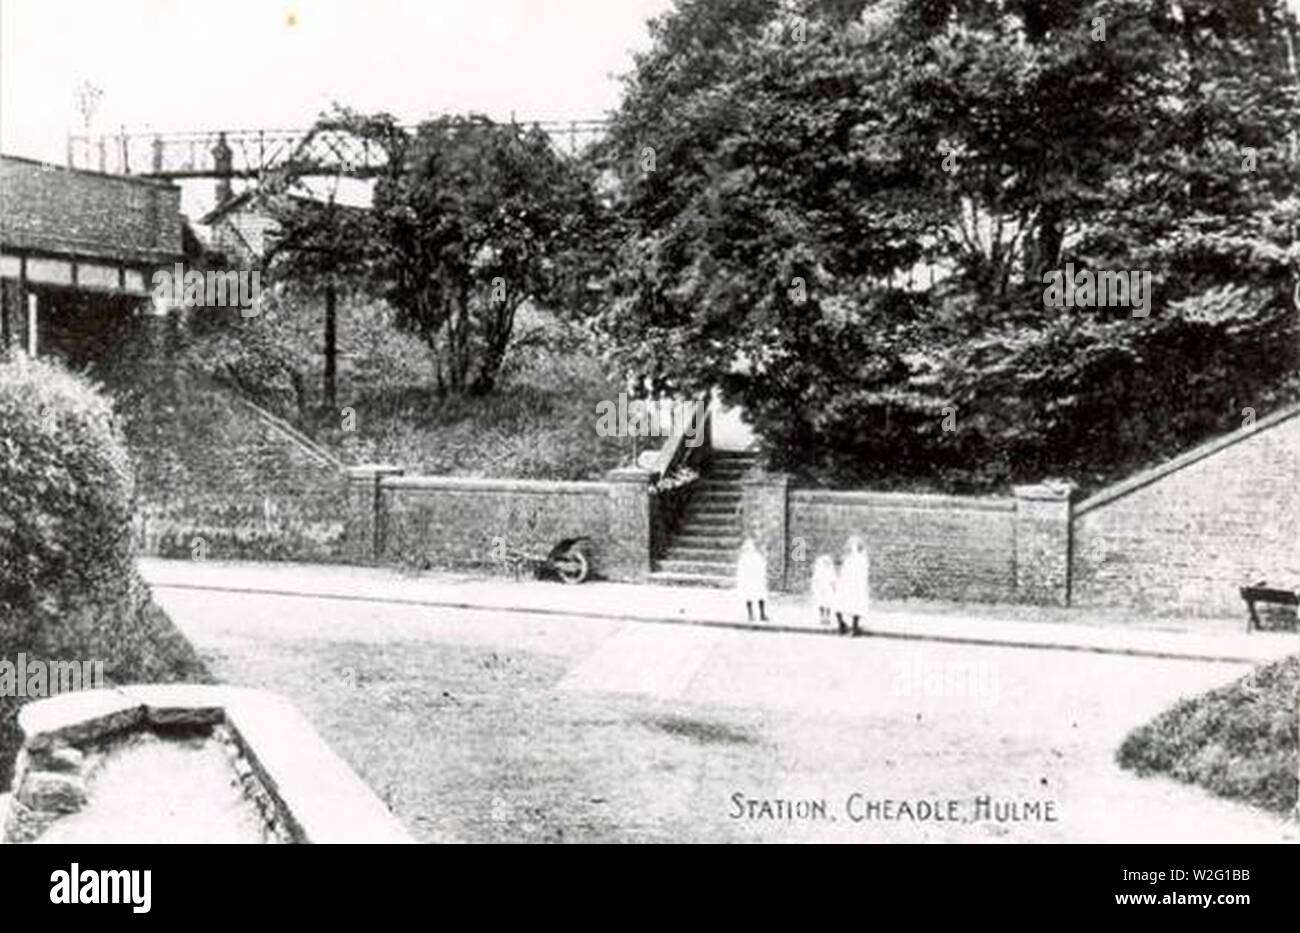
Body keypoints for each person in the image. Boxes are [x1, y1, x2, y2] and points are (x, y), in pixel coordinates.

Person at [836, 536, 870, 636]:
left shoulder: (847, 559)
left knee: (840, 603)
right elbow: (863, 574)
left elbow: (842, 572)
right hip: (855, 586)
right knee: (856, 605)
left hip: (845, 586)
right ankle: (854, 627)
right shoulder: (861, 559)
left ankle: (841, 624)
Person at [736, 538, 769, 623]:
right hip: (751, 580)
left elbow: (762, 567)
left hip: (755, 580)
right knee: (752, 597)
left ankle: (760, 614)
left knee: (758, 596)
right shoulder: (748, 558)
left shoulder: (754, 557)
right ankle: (754, 615)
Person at [810, 554, 837, 628]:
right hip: (821, 589)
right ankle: (822, 617)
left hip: (828, 589)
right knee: (821, 603)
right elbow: (815, 580)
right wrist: (815, 588)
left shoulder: (830, 571)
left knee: (828, 604)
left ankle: (827, 617)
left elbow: (833, 581)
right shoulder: (819, 571)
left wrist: (834, 588)